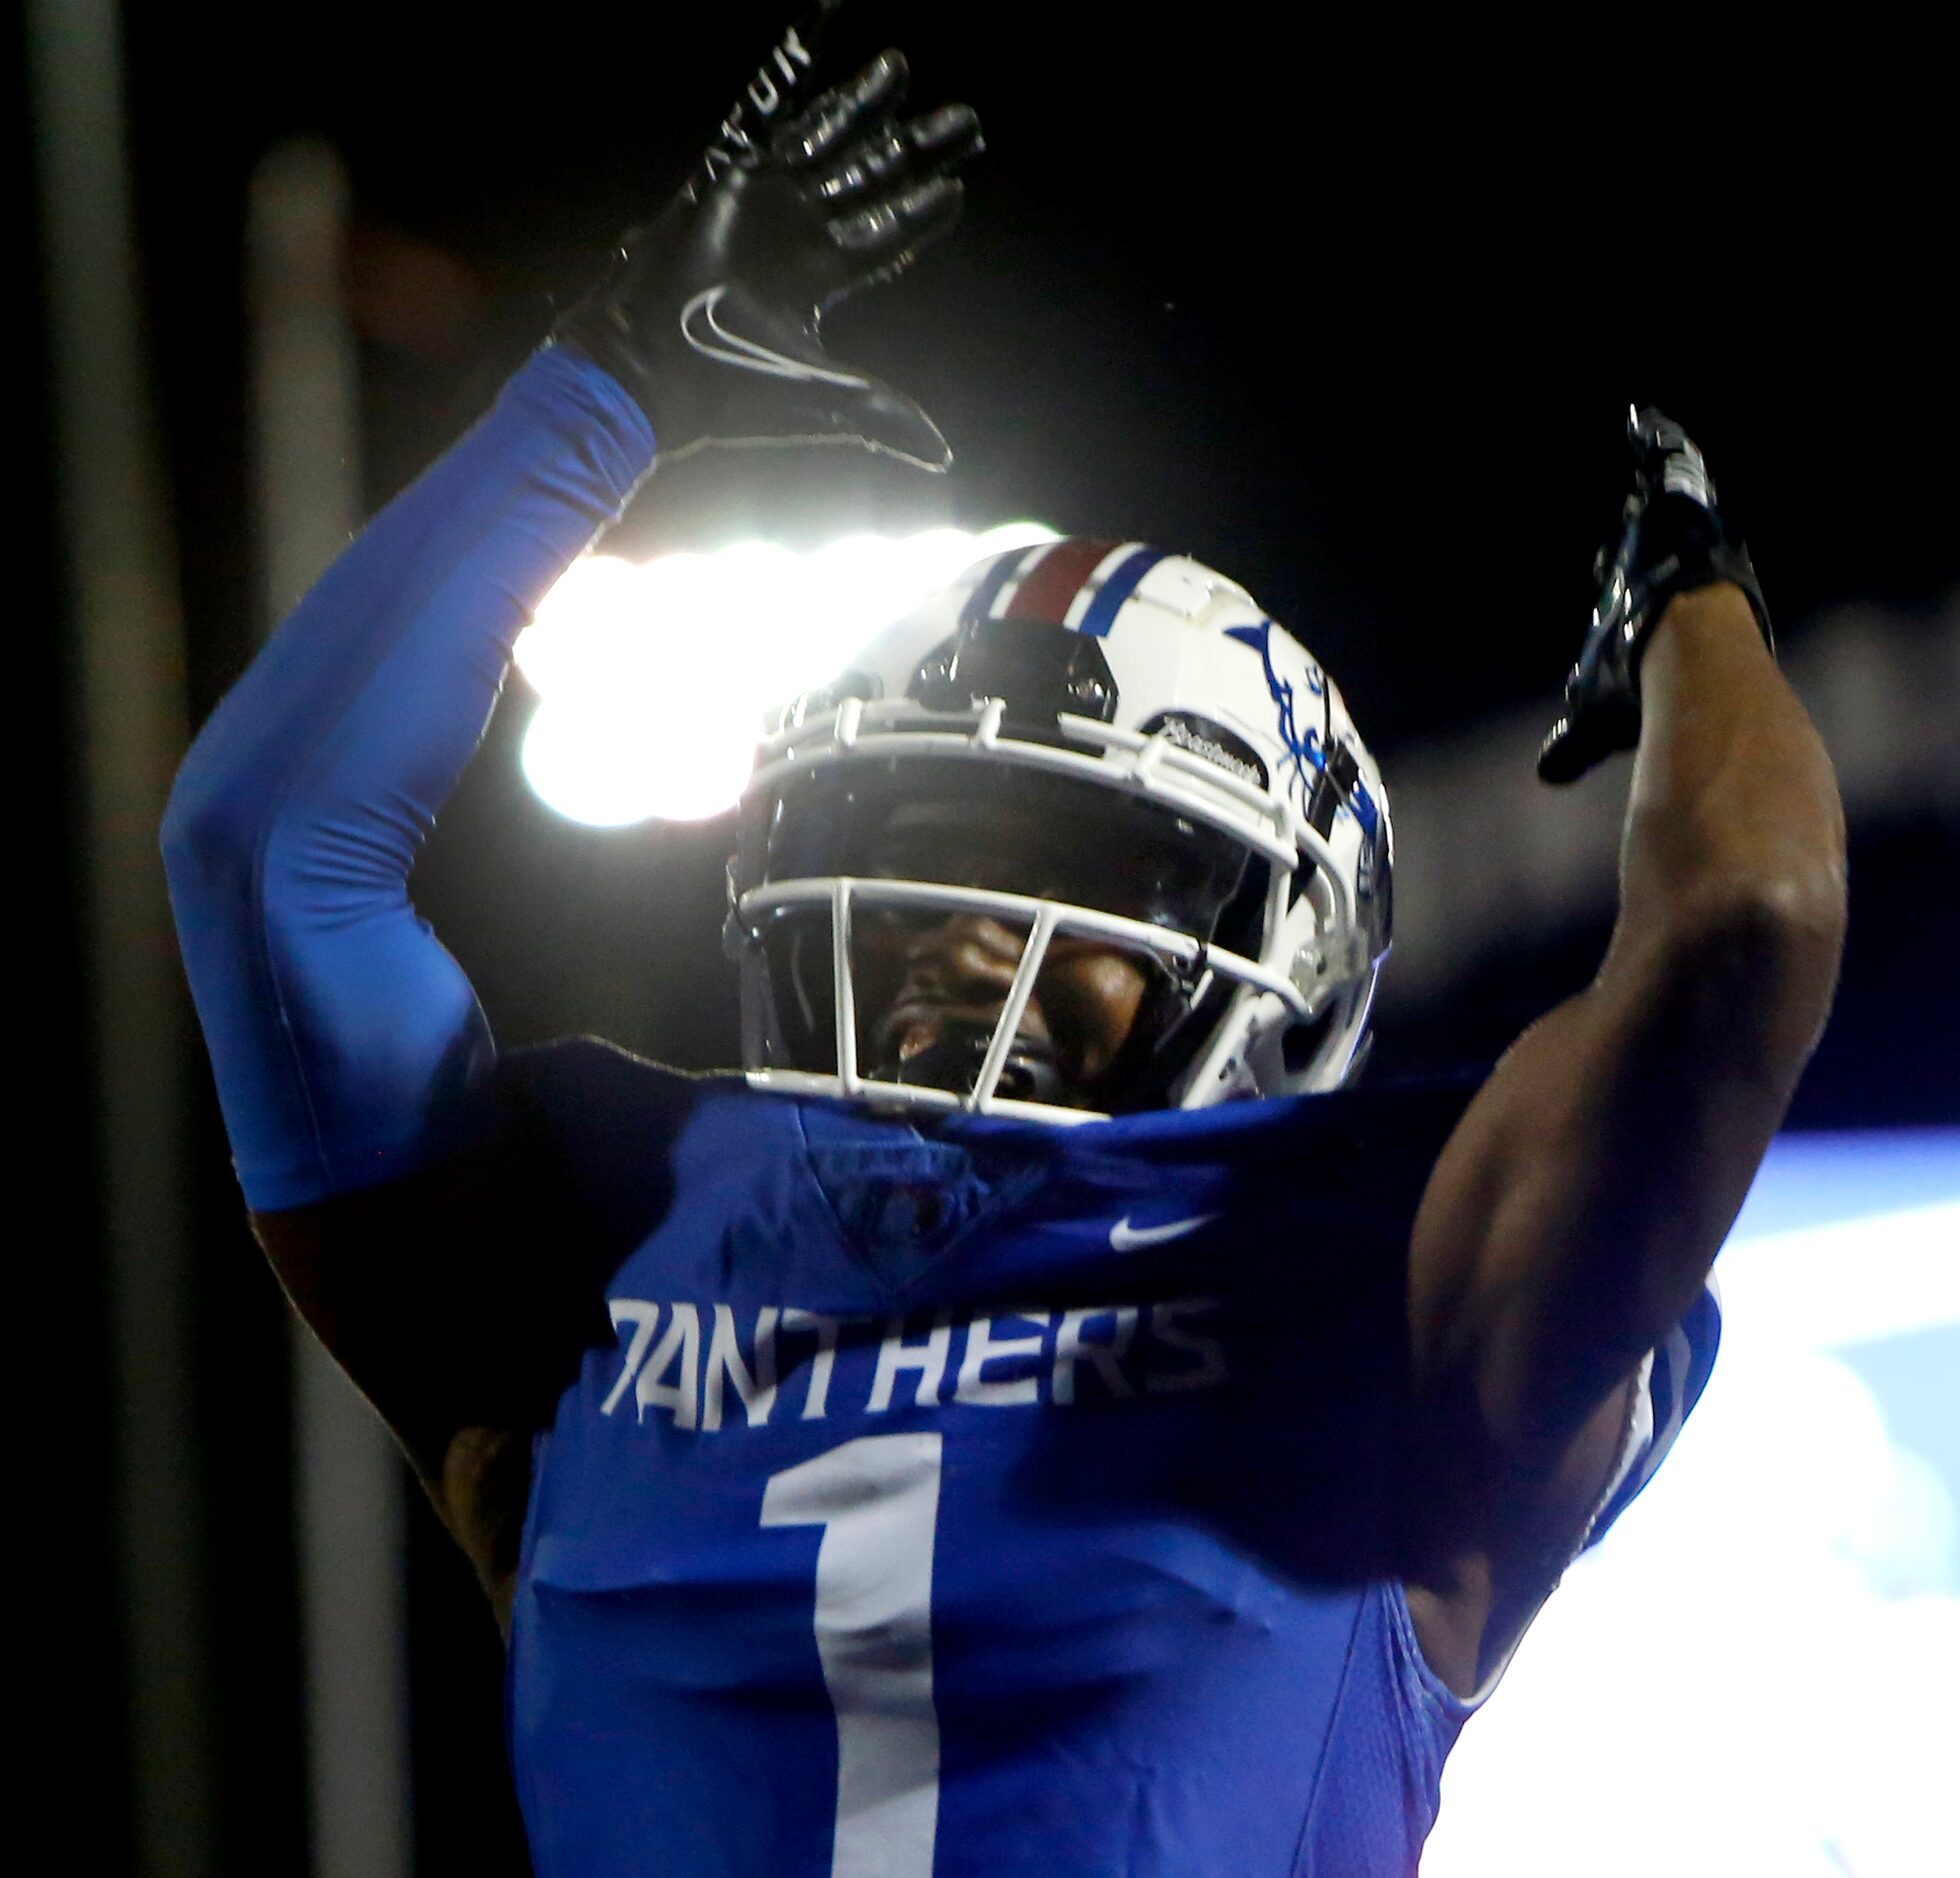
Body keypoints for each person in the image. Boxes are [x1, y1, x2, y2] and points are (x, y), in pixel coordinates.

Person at [160, 28, 1847, 1878]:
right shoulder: (598, 1234)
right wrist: (617, 374)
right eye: (914, 848)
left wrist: (1695, 594)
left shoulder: (1395, 1292)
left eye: (1072, 869)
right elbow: (258, 851)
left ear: (1276, 949)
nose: (972, 933)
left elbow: (1747, 920)